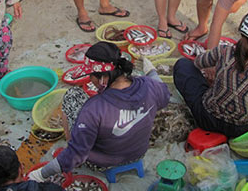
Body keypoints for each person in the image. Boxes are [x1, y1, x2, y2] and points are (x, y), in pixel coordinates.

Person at [28, 42, 170, 179]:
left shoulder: (93, 109)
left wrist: (41, 174)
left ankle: (70, 140)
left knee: (72, 95)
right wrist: (151, 71)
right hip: (139, 153)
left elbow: (76, 155)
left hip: (104, 163)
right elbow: (164, 94)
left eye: (91, 76)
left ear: (103, 78)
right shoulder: (150, 86)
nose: (90, 80)